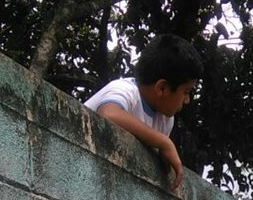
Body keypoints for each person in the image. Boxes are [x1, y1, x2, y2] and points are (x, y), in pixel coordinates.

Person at [84, 35, 203, 189]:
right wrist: (164, 142)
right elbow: (109, 114)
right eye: (186, 92)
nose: (187, 100)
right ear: (162, 88)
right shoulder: (125, 90)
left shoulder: (166, 120)